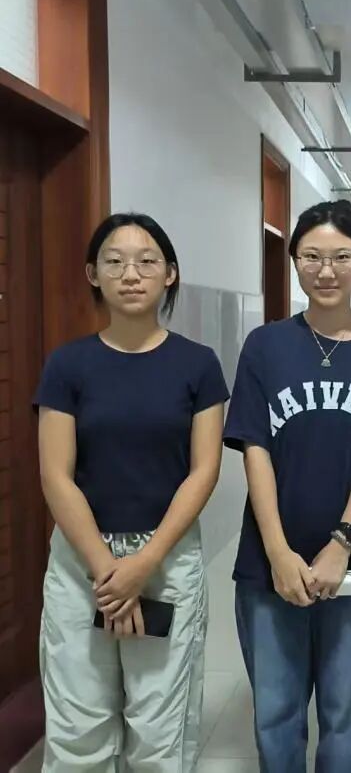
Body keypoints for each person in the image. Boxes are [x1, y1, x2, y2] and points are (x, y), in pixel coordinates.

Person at [35, 212, 229, 771]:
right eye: (114, 262)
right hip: (81, 562)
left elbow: (204, 471)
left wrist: (143, 563)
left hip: (165, 559)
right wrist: (106, 569)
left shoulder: (198, 365)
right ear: (92, 274)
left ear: (170, 274)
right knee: (79, 727)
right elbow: (55, 475)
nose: (131, 274)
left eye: (147, 261)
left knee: (159, 729)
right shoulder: (68, 365)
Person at [223, 199, 351, 773]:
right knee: (276, 713)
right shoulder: (265, 346)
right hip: (269, 561)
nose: (326, 270)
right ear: (294, 262)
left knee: (343, 712)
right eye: (311, 256)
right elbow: (255, 448)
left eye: (341, 257)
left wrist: (341, 543)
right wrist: (278, 552)